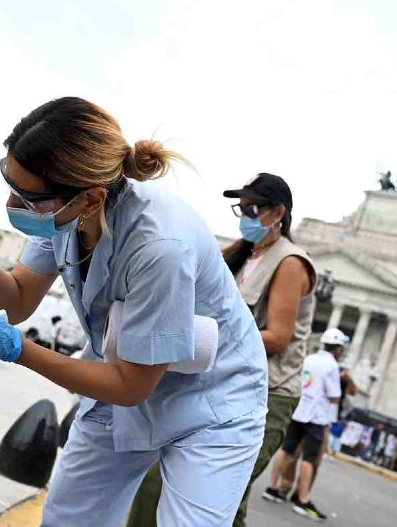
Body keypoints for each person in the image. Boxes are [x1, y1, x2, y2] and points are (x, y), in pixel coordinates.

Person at [0, 96, 269, 526]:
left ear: (90, 198)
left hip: (211, 402)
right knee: (68, 518)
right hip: (123, 378)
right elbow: (15, 300)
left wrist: (18, 351)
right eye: (11, 184)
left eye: (28, 198)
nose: (13, 203)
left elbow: (129, 385)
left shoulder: (160, 246)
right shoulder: (65, 215)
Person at [127, 172, 316, 527]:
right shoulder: (240, 256)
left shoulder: (290, 262)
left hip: (268, 394)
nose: (245, 217)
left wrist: (201, 335)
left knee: (224, 499)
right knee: (158, 481)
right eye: (240, 208)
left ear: (277, 213)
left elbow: (277, 337)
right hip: (218, 385)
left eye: (252, 208)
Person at [264, 327, 347, 521]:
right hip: (316, 416)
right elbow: (335, 396)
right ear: (338, 349)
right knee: (310, 457)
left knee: (286, 449)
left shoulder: (309, 359)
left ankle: (272, 487)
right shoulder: (332, 366)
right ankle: (303, 499)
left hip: (299, 409)